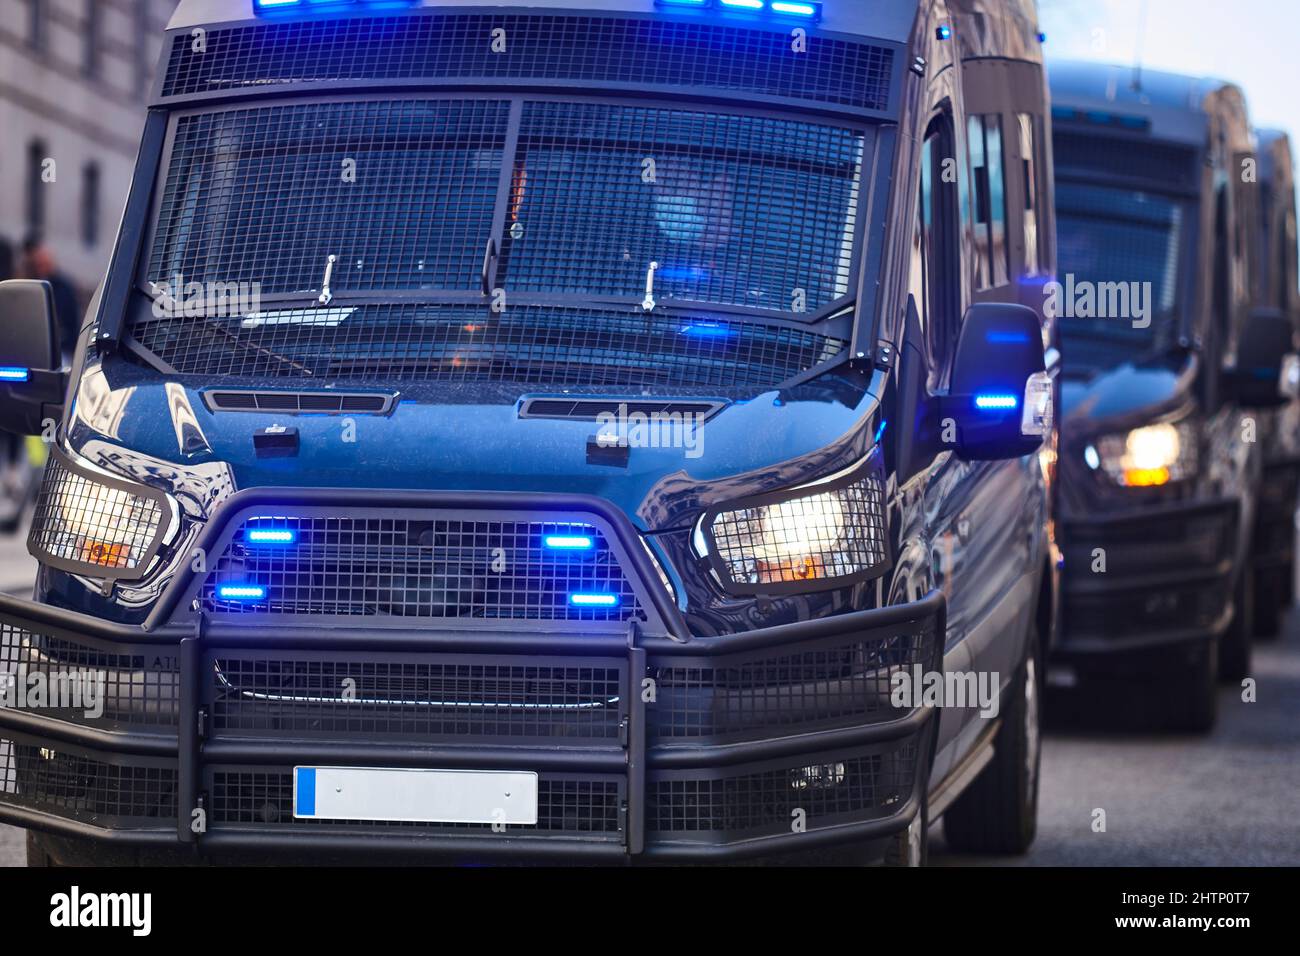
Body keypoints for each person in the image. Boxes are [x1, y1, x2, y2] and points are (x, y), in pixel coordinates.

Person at [20, 235, 82, 360]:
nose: (42, 268)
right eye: (39, 265)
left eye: (44, 264)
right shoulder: (32, 283)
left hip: (62, 347)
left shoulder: (63, 287)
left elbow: (70, 320)